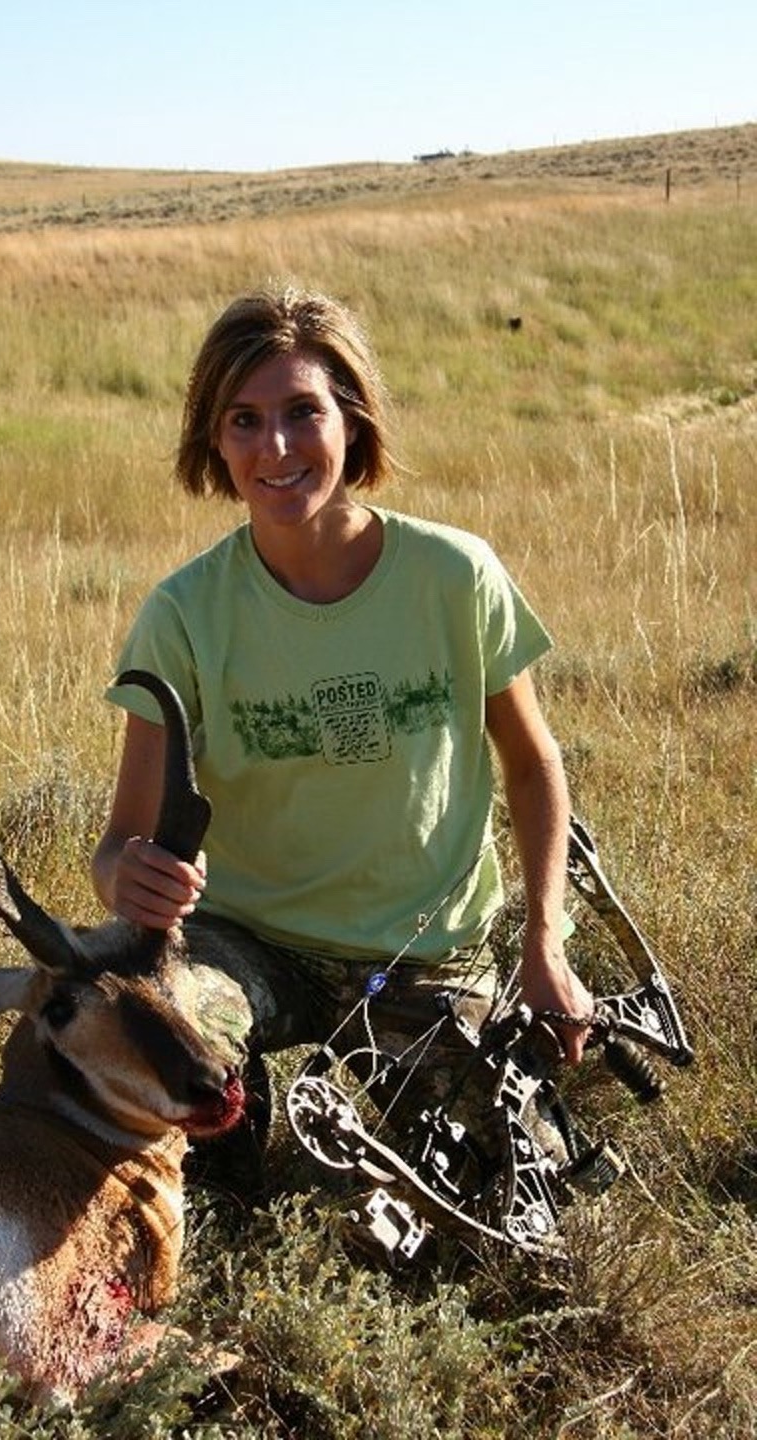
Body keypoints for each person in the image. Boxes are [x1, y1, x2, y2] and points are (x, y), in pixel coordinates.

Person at [91, 285, 594, 1201]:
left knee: (524, 1197)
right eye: (244, 420)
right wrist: (126, 877)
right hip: (246, 944)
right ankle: (234, 1173)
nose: (274, 448)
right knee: (154, 1049)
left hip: (423, 953)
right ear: (213, 439)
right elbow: (120, 842)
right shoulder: (184, 613)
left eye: (302, 413)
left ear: (353, 423)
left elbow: (532, 763)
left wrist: (545, 944)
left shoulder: (454, 575)